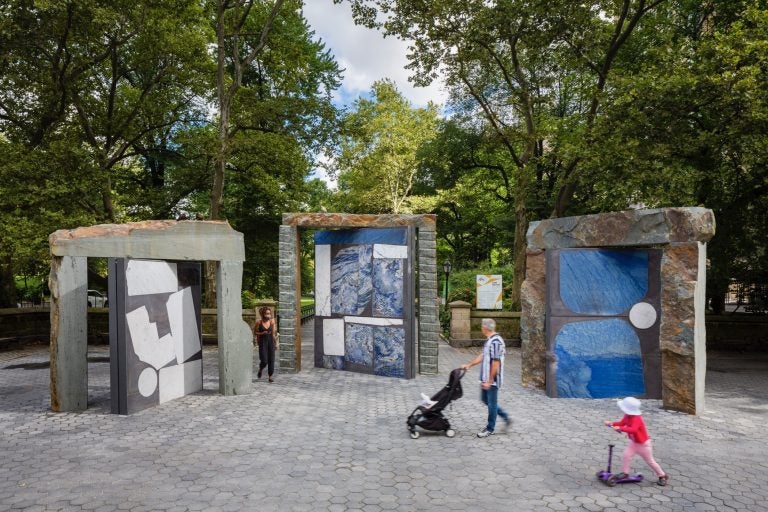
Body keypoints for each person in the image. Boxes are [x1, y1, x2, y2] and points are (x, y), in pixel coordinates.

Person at [462, 318, 511, 438]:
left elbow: (495, 362)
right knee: (486, 400)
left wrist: (490, 381)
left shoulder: (496, 342)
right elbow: (483, 355)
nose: (481, 328)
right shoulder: (490, 340)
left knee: (491, 403)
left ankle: (490, 428)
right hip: (486, 378)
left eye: (482, 326)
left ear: (485, 328)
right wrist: (469, 365)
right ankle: (505, 416)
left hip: (492, 380)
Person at [604, 396, 669, 486]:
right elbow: (622, 423)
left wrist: (620, 428)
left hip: (643, 445)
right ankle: (625, 473)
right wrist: (612, 423)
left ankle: (662, 475)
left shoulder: (637, 418)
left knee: (650, 461)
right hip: (634, 443)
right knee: (626, 455)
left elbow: (633, 429)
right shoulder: (627, 416)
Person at [253, 306, 278, 383]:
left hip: (271, 342)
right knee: (264, 360)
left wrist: (276, 343)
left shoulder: (272, 322)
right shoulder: (259, 322)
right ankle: (261, 369)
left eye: (269, 313)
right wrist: (262, 333)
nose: (268, 315)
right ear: (263, 314)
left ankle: (270, 376)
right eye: (267, 313)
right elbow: (255, 332)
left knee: (271, 360)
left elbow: (273, 334)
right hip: (263, 342)